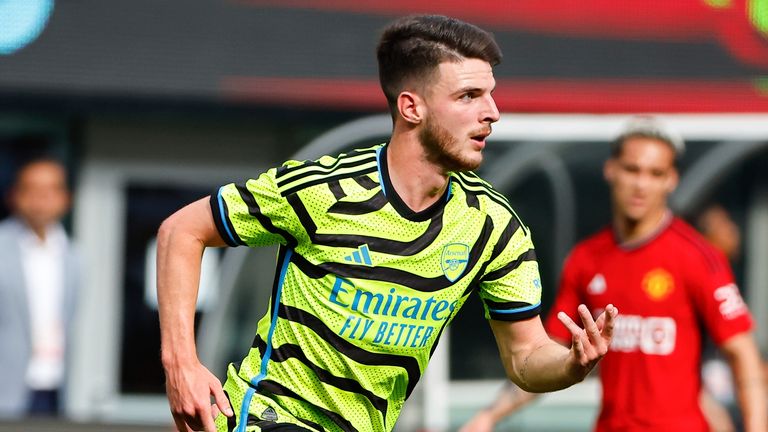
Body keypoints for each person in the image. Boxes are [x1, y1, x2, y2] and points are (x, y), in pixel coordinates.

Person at [157, 14, 618, 432]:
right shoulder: (325, 190)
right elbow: (182, 230)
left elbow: (525, 357)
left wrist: (571, 364)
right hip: (273, 416)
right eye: (469, 96)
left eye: (491, 94)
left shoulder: (493, 226)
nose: (492, 112)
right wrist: (182, 364)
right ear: (411, 108)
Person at [460, 116, 767, 432]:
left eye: (655, 173)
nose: (641, 184)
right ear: (612, 170)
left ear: (671, 180)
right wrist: (490, 415)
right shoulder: (587, 259)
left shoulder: (698, 257)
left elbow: (742, 353)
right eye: (632, 169)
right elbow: (549, 354)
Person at [0, 158, 80, 418]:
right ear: (14, 195)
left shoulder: (75, 256)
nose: (41, 198)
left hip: (54, 386)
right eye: (32, 189)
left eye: (50, 190)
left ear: (66, 198)